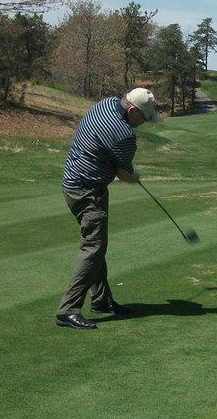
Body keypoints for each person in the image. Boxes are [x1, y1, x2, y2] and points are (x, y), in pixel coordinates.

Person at [56, 87, 160, 329]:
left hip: (74, 181)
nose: (143, 123)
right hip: (86, 191)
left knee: (97, 244)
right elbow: (124, 173)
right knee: (94, 246)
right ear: (132, 110)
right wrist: (135, 177)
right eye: (143, 118)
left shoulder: (107, 103)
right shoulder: (124, 134)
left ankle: (101, 300)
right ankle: (67, 310)